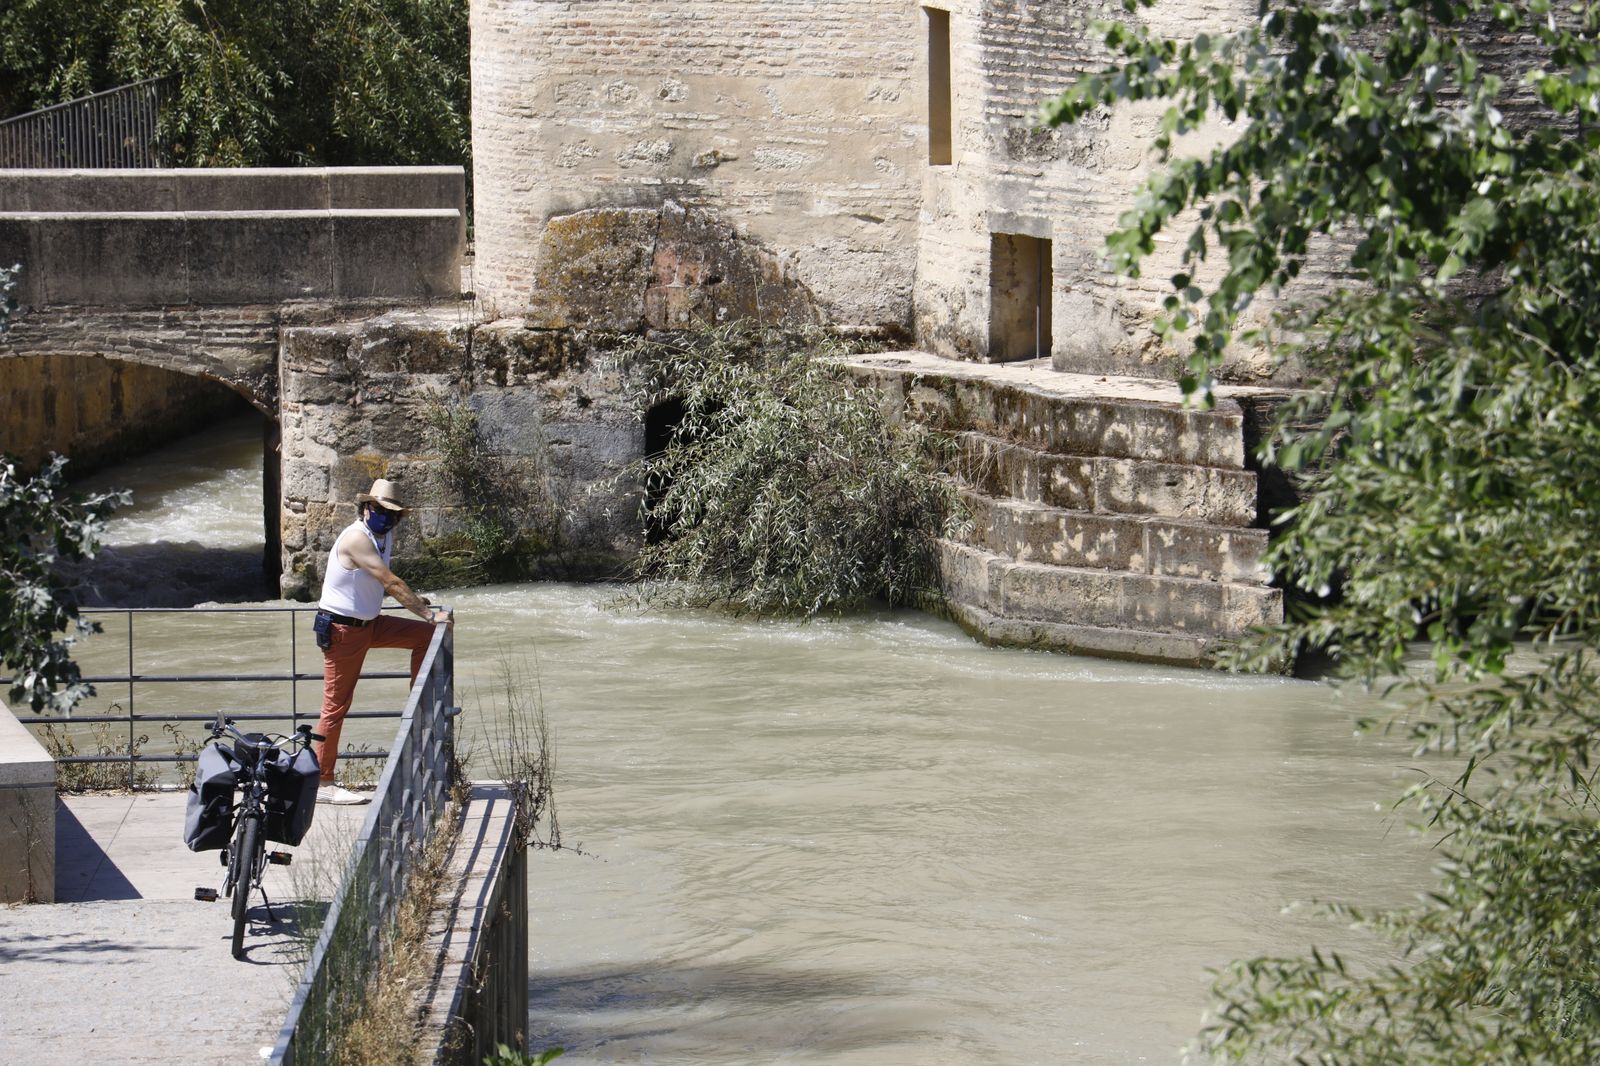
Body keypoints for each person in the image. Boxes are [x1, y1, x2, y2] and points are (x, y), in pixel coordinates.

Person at [312, 478, 452, 804]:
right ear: (366, 508)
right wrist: (427, 613)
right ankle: (322, 781)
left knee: (427, 637)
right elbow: (389, 582)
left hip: (370, 624)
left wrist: (420, 603)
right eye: (380, 510)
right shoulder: (356, 539)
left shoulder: (383, 535)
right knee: (335, 707)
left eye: (392, 513)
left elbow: (383, 586)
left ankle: (421, 707)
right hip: (343, 631)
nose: (386, 518)